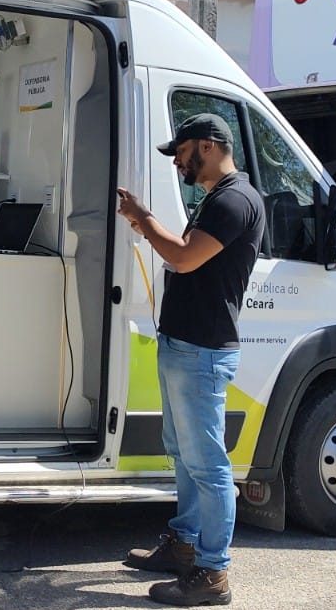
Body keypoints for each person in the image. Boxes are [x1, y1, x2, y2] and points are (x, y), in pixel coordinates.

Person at [115, 113, 265, 607]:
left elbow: (183, 257)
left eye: (180, 151)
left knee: (208, 465)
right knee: (183, 454)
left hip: (202, 350)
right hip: (185, 344)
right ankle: (184, 544)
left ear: (206, 145)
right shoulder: (217, 199)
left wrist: (143, 216)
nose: (177, 160)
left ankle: (212, 574)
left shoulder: (235, 200)